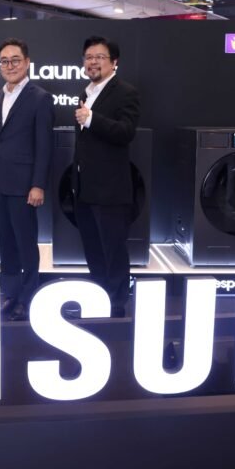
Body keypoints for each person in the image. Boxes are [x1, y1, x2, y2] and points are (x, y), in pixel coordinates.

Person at [0, 38, 54, 321]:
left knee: (25, 244)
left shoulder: (40, 98)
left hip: (24, 185)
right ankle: (9, 294)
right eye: (4, 61)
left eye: (15, 60)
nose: (9, 66)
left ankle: (28, 296)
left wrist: (38, 184)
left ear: (27, 63)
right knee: (6, 243)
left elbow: (45, 146)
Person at [72, 36, 140, 318]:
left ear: (114, 62)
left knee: (113, 251)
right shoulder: (85, 92)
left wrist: (91, 119)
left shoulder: (125, 92)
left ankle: (116, 305)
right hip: (84, 188)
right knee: (94, 250)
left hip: (110, 190)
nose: (93, 62)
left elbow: (126, 132)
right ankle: (99, 300)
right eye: (89, 57)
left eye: (99, 57)